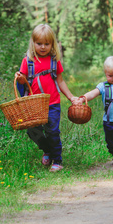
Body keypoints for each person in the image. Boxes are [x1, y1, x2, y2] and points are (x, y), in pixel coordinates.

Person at [15, 24, 78, 172]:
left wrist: (70, 97)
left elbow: (60, 81)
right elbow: (23, 80)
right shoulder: (28, 61)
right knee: (32, 131)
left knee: (52, 131)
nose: (43, 47)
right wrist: (20, 78)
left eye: (47, 44)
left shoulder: (54, 61)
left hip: (52, 103)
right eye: (39, 43)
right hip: (33, 103)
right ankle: (47, 150)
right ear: (33, 43)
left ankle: (57, 160)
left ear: (52, 44)